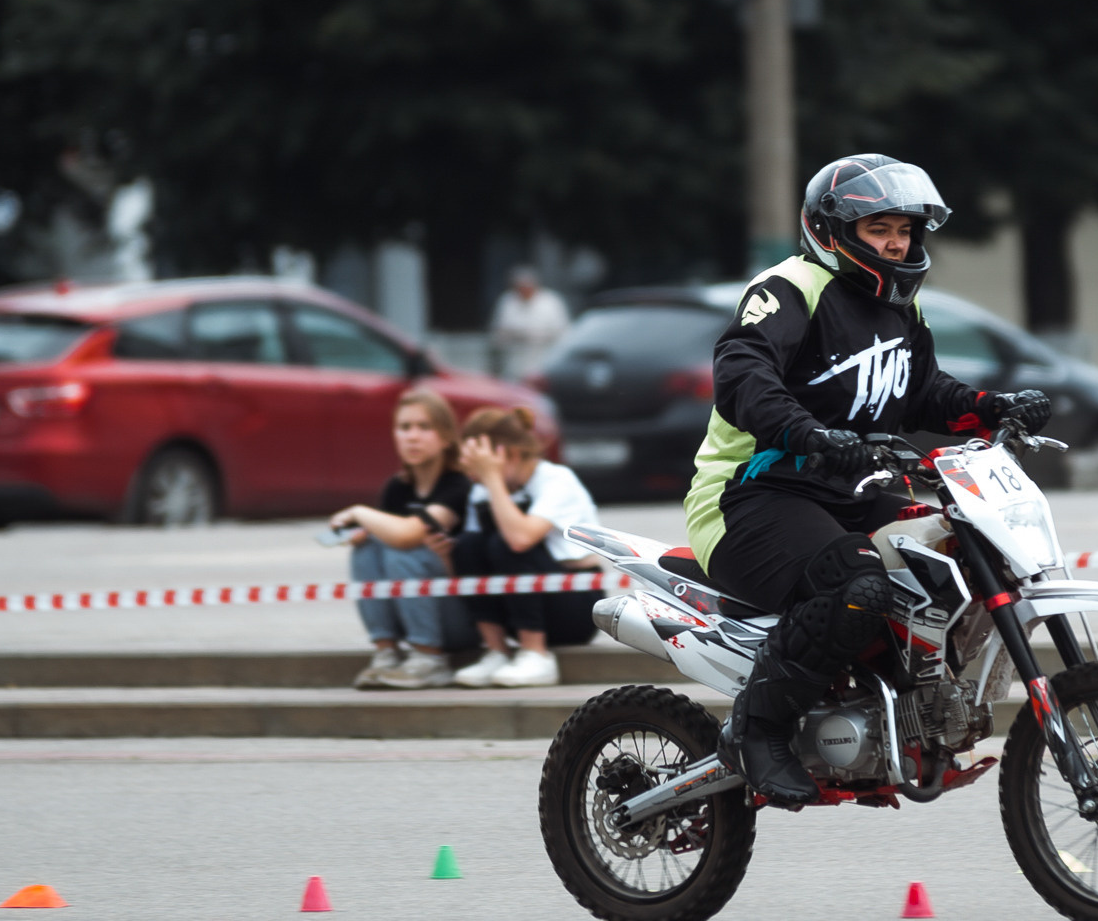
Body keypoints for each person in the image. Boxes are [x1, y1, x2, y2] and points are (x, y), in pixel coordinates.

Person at [686, 154, 1051, 809]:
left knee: (962, 547)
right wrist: (811, 434)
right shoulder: (790, 287)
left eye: (906, 229)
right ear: (832, 228)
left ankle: (903, 710)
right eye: (880, 226)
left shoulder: (898, 309)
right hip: (754, 492)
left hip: (850, 487)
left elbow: (924, 394)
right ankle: (758, 730)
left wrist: (996, 407)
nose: (897, 242)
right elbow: (744, 372)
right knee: (859, 579)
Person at [440, 404, 598, 689]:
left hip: (574, 605)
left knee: (507, 543)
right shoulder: (482, 489)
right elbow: (474, 556)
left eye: (479, 464)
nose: (473, 474)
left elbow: (521, 539)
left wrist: (491, 478)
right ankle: (496, 651)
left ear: (506, 454)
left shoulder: (556, 480)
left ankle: (535, 653)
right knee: (468, 545)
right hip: (520, 606)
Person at [332, 390, 474, 691]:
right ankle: (387, 653)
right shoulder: (397, 488)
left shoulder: (459, 485)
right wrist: (363, 532)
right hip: (411, 609)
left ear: (447, 437)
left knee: (402, 549)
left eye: (424, 427)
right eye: (404, 427)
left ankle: (429, 659)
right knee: (366, 547)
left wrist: (359, 512)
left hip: (463, 618)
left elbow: (409, 534)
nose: (413, 436)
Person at [489, 264, 570, 380]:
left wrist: (536, 335)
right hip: (514, 365)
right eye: (520, 287)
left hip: (544, 362)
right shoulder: (507, 301)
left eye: (527, 287)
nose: (524, 290)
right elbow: (498, 333)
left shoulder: (551, 301)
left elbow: (563, 333)